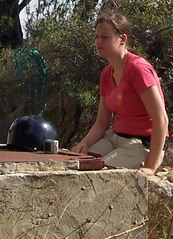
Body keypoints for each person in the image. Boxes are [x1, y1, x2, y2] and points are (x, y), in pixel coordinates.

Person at [71, 11, 168, 174]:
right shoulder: (107, 74)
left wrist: (151, 166)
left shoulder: (138, 69)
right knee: (76, 165)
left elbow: (161, 119)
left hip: (139, 145)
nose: (98, 42)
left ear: (123, 39)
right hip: (114, 138)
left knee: (96, 174)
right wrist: (84, 144)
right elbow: (102, 122)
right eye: (96, 37)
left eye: (105, 37)